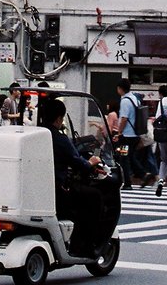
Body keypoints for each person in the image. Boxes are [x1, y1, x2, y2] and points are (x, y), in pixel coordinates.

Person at [40, 97, 119, 257]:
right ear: (58, 119)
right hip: (59, 190)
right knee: (94, 197)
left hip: (43, 188)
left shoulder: (37, 135)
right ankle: (84, 245)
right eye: (62, 118)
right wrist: (91, 162)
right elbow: (79, 163)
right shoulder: (60, 139)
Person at [114, 78, 150, 189]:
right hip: (135, 135)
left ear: (120, 89)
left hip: (126, 136)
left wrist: (119, 133)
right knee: (130, 156)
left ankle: (128, 183)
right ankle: (144, 174)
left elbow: (124, 118)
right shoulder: (134, 98)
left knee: (124, 158)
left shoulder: (125, 101)